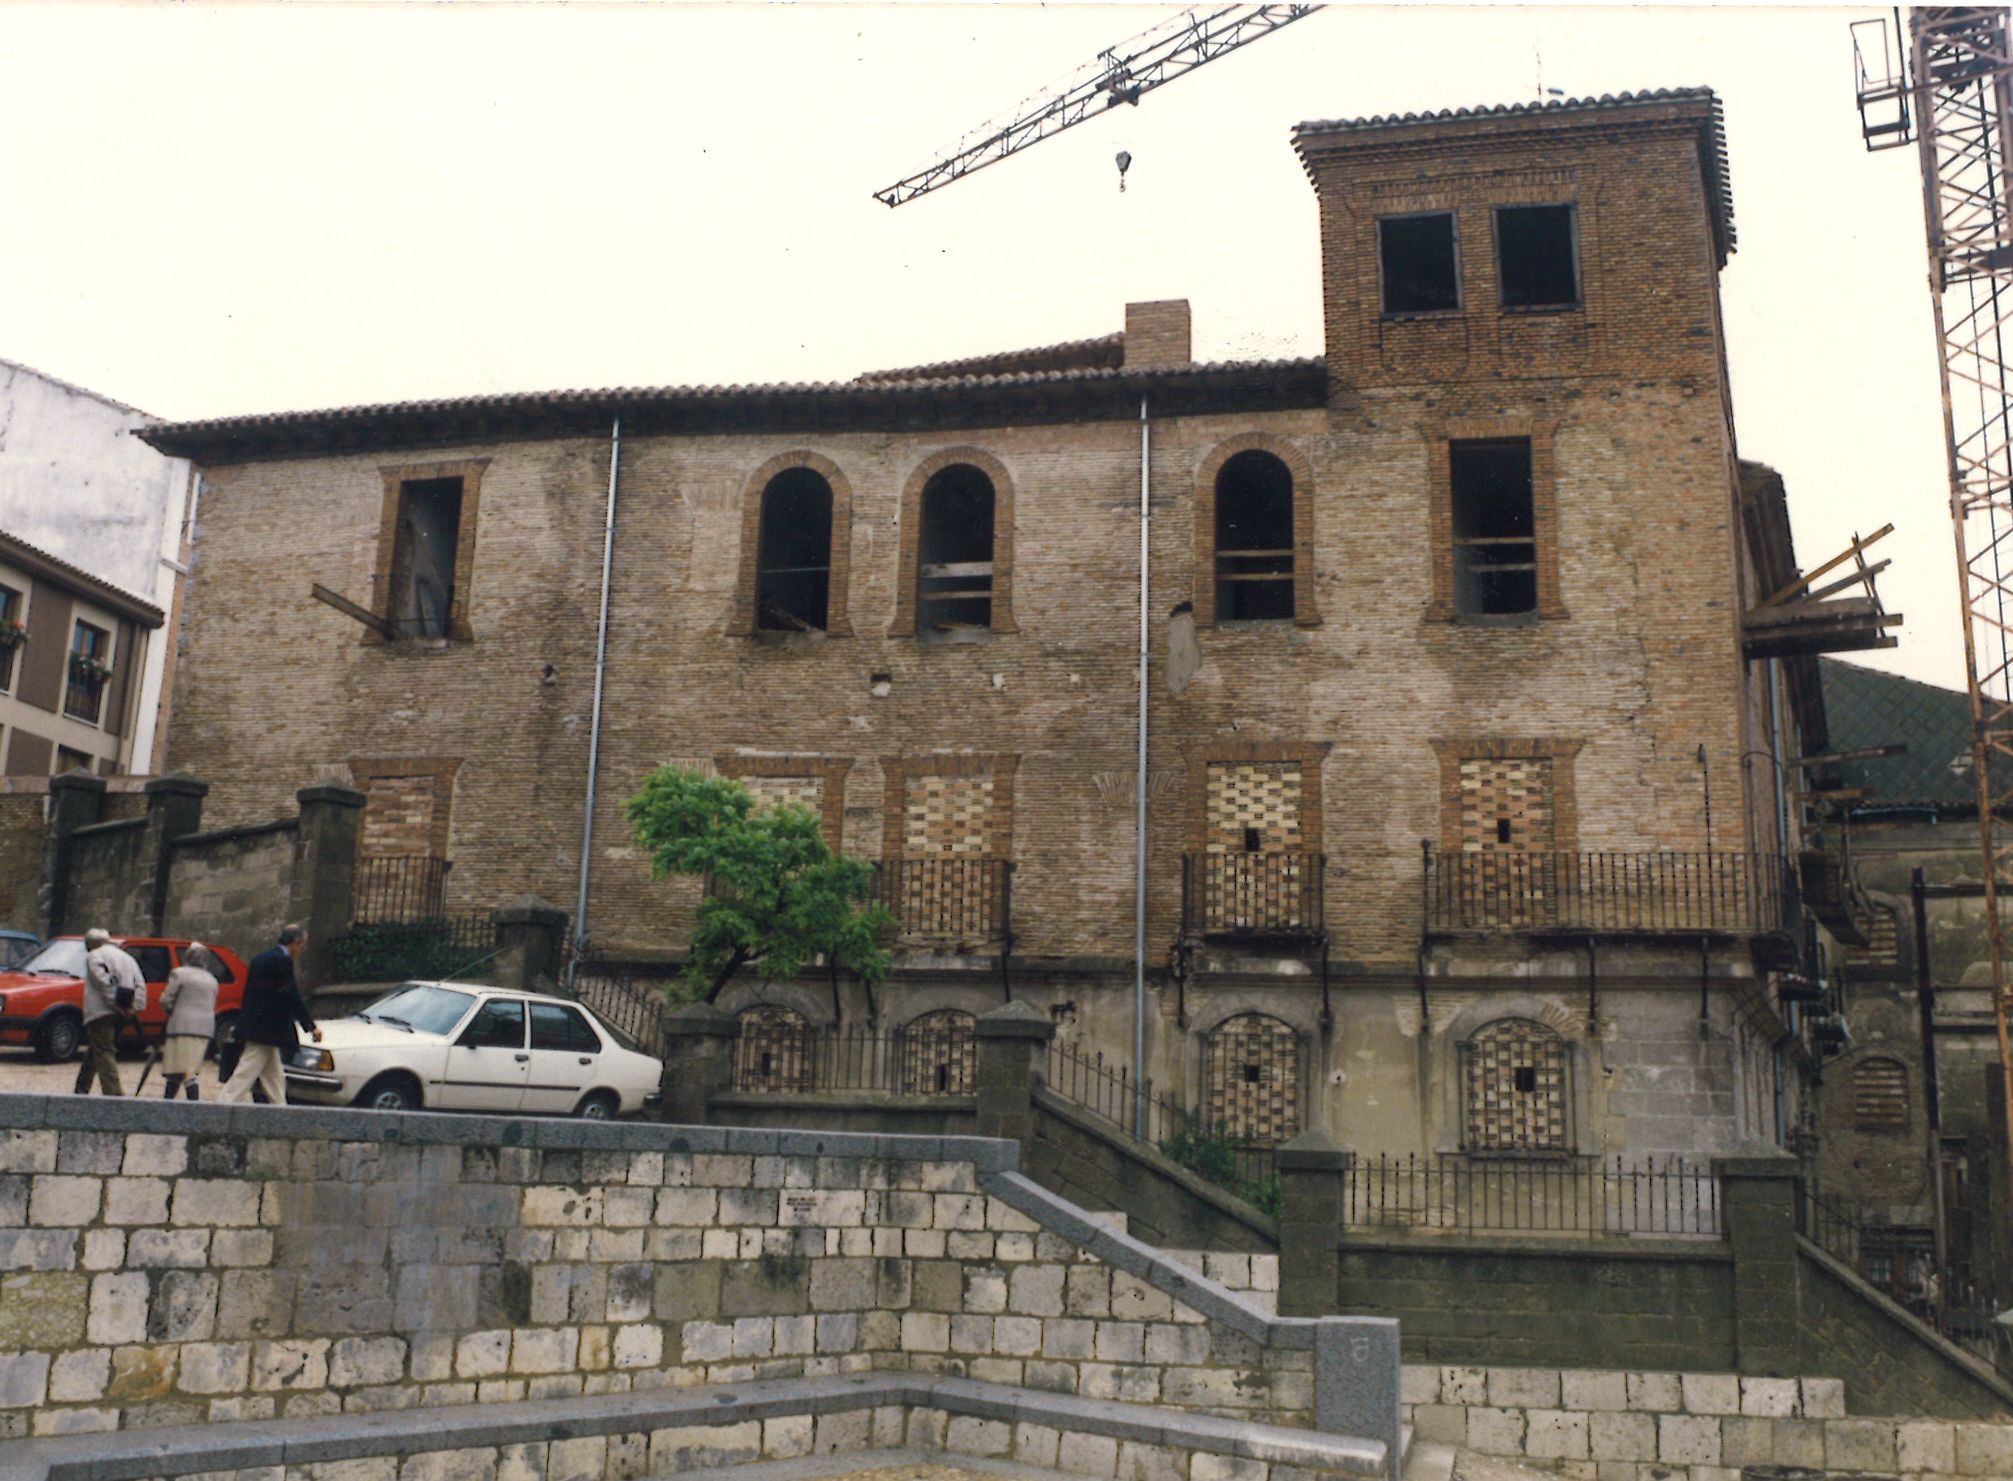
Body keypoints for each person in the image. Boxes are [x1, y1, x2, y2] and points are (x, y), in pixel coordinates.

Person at [219, 923, 321, 1106]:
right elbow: (291, 996)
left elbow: (252, 995)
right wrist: (310, 1026)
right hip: (268, 1030)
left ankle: (280, 1111)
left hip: (257, 1025)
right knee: (246, 1073)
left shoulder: (260, 958)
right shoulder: (282, 961)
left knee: (274, 1077)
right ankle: (222, 1106)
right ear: (295, 943)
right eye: (302, 945)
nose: (302, 950)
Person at [76, 928, 142, 1096]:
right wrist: (133, 1008)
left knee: (104, 1051)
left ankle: (114, 1095)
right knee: (96, 1049)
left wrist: (116, 1005)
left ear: (90, 944)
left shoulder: (94, 956)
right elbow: (140, 984)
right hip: (121, 1013)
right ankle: (81, 1089)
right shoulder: (128, 958)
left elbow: (103, 983)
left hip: (101, 1011)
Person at [158, 943, 219, 1100]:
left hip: (182, 1026)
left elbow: (167, 999)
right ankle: (169, 1104)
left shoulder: (179, 974)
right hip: (204, 1029)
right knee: (182, 1068)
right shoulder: (211, 979)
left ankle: (190, 1105)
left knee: (183, 1069)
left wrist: (170, 1010)